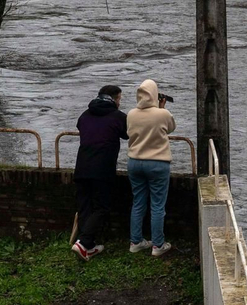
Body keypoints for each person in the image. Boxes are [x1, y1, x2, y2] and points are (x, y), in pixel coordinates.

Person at [72, 84, 126, 260]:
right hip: (102, 168)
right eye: (119, 99)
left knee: (85, 206)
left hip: (81, 167)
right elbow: (127, 134)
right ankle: (84, 242)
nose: (120, 102)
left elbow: (81, 126)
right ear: (114, 99)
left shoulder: (85, 115)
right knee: (102, 207)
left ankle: (86, 246)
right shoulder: (118, 116)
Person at [126, 79, 176, 257]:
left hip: (134, 162)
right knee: (157, 205)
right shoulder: (162, 114)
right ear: (155, 94)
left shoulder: (131, 114)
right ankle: (157, 245)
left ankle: (135, 241)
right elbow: (170, 128)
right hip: (157, 163)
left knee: (138, 202)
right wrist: (161, 108)